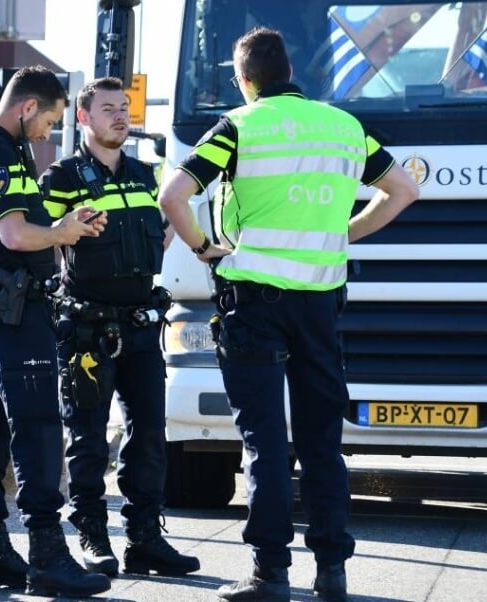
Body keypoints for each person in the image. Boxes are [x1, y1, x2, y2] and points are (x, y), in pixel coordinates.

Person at [158, 28, 420, 602]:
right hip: (322, 304)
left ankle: (269, 571)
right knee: (322, 439)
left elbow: (173, 195)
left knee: (265, 441)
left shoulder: (238, 125)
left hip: (254, 302)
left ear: (245, 78)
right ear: (291, 71)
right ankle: (332, 570)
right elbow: (402, 191)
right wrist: (344, 233)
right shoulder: (344, 126)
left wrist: (204, 248)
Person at [0, 65, 111, 598]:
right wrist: (64, 231)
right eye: (49, 120)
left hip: (6, 306)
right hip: (10, 309)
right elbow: (15, 235)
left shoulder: (4, 150)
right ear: (26, 108)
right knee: (39, 422)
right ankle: (46, 552)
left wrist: (67, 226)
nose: (48, 132)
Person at [39, 76, 200, 580]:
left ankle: (146, 539)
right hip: (86, 332)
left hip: (140, 327)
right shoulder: (63, 177)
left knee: (149, 433)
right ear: (84, 118)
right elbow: (42, 241)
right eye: (108, 108)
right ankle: (92, 534)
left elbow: (164, 227)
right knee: (86, 438)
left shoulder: (146, 174)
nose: (120, 116)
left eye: (124, 108)